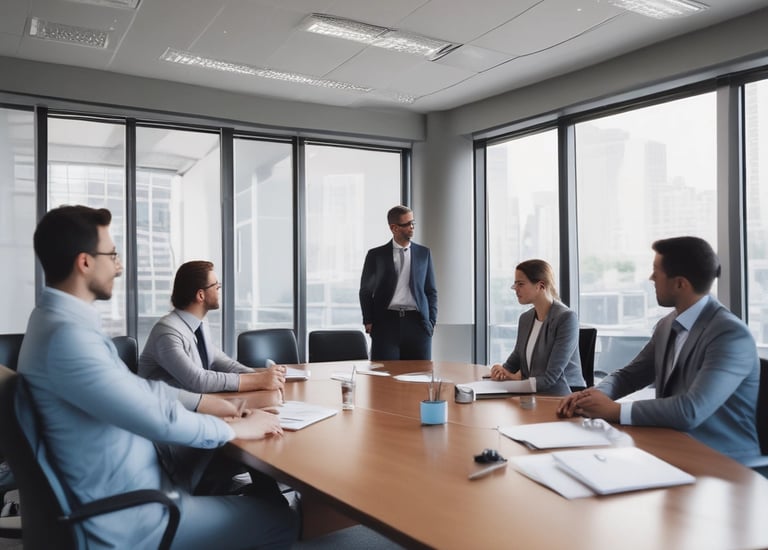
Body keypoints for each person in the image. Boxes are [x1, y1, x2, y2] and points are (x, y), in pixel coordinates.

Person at [17, 205, 297, 549]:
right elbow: (160, 419)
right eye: (112, 255)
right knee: (281, 520)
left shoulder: (54, 323)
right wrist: (235, 428)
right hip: (136, 512)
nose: (119, 266)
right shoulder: (68, 339)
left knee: (253, 492)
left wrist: (213, 406)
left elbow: (138, 389)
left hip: (137, 488)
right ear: (84, 262)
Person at [557, 236, 760, 463]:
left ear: (680, 283)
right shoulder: (667, 324)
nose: (651, 278)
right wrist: (593, 396)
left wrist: (614, 410)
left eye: (656, 271)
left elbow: (690, 410)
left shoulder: (730, 335)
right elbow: (630, 375)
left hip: (723, 462)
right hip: (670, 447)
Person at [139, 260, 285, 404]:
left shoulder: (200, 324)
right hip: (160, 412)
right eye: (216, 286)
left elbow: (223, 363)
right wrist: (259, 380)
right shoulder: (167, 333)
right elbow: (198, 381)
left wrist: (264, 376)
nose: (219, 289)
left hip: (191, 406)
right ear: (201, 295)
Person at [489, 259, 585, 396]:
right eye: (515, 284)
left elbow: (551, 378)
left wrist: (514, 382)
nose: (515, 289)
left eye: (520, 284)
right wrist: (502, 371)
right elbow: (516, 358)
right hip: (534, 394)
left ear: (540, 286)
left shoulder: (566, 318)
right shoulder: (525, 318)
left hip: (563, 396)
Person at [359, 205, 438, 360]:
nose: (412, 227)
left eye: (413, 222)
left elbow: (431, 291)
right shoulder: (376, 255)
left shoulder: (424, 253)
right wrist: (368, 320)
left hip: (418, 324)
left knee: (420, 373)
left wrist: (431, 322)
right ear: (394, 228)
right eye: (407, 224)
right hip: (385, 324)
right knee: (384, 373)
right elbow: (366, 291)